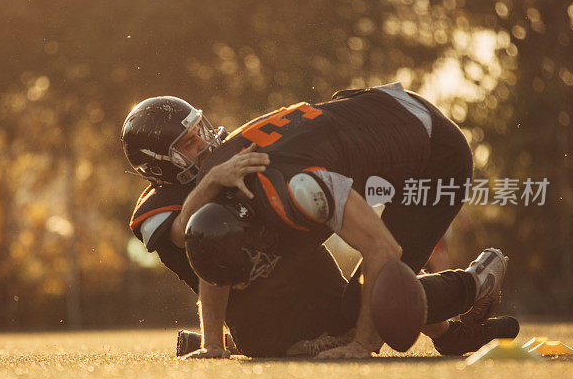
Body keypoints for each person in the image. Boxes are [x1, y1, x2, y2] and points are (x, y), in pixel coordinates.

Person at [122, 85, 516, 358]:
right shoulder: (219, 185)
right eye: (189, 142)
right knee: (269, 337)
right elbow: (207, 246)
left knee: (364, 309)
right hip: (358, 125)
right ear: (156, 164)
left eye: (199, 132)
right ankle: (453, 333)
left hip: (431, 153)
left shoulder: (295, 188)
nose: (206, 144)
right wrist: (214, 343)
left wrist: (362, 344)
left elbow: (384, 249)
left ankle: (473, 283)